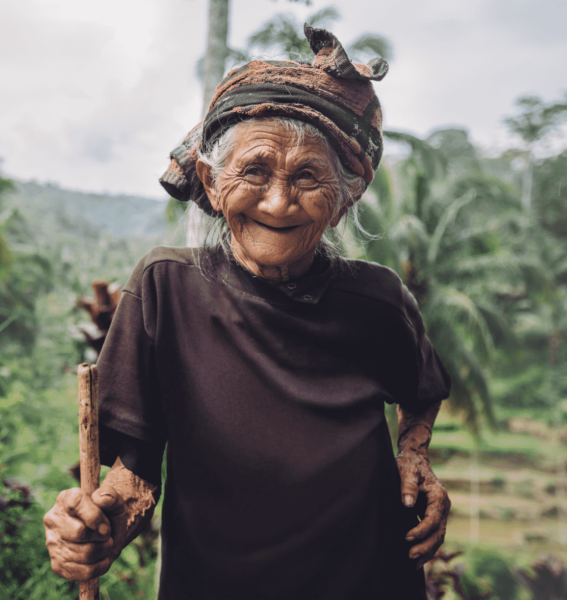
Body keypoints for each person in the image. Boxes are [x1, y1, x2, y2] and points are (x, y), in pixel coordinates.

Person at [44, 25, 451, 600]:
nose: (279, 202)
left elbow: (422, 388)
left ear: (345, 199)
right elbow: (135, 475)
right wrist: (98, 529)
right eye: (255, 170)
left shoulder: (378, 300)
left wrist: (415, 455)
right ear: (211, 183)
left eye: (308, 176)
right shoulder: (164, 288)